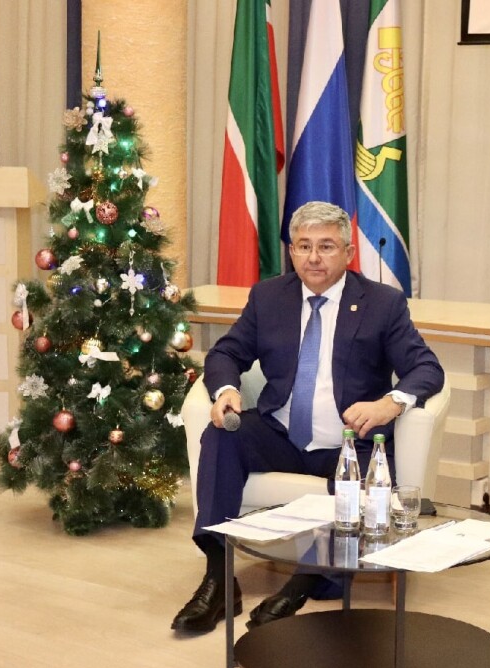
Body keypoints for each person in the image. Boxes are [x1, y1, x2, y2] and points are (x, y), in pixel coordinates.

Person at [172, 201, 444, 633]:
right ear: (291, 251)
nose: (314, 257)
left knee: (362, 485)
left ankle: (299, 587)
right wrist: (226, 391)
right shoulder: (269, 297)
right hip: (280, 433)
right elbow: (226, 353)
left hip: (349, 442)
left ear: (348, 253)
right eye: (303, 246)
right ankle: (219, 578)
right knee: (222, 435)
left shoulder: (382, 303)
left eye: (326, 246)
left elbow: (426, 368)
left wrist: (389, 403)